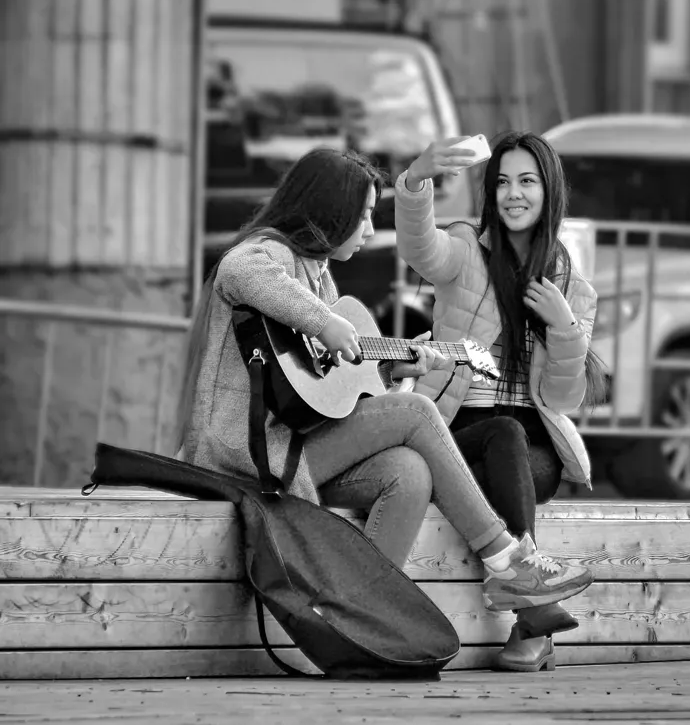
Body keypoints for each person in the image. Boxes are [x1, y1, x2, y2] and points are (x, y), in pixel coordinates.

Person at [174, 146, 593, 617]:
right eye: (365, 216)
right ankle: (505, 560)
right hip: (243, 454)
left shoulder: (321, 278)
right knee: (416, 411)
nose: (371, 230)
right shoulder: (271, 251)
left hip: (292, 448)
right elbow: (238, 268)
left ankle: (359, 617)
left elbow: (324, 387)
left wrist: (390, 371)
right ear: (331, 211)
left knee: (409, 471)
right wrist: (323, 322)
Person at [395, 131, 607, 672]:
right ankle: (535, 616)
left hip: (532, 453)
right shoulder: (466, 249)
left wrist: (564, 328)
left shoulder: (572, 289)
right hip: (458, 437)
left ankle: (531, 611)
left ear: (549, 191)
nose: (514, 194)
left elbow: (563, 397)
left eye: (528, 181)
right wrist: (416, 180)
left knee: (512, 436)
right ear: (490, 193)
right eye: (503, 183)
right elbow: (421, 248)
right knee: (500, 433)